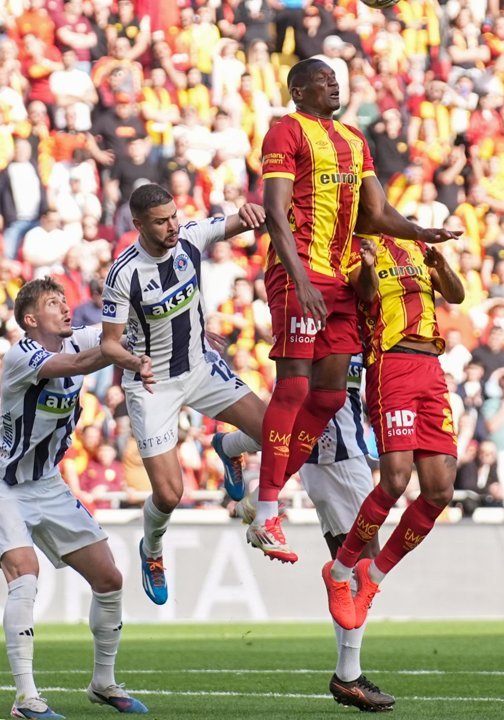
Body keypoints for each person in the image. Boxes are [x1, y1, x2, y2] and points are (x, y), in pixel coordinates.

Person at [250, 57, 459, 563]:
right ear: (298, 91)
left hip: (340, 278)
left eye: (334, 79)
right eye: (321, 80)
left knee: (327, 397)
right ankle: (266, 510)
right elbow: (275, 211)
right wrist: (300, 278)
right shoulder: (285, 131)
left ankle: (262, 491)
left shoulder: (353, 139)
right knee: (295, 386)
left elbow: (378, 212)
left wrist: (419, 232)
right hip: (299, 272)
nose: (332, 84)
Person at [0, 277, 154, 719]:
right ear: (30, 319)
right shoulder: (21, 355)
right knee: (25, 575)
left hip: (49, 485)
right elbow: (79, 363)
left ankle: (103, 683)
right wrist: (121, 350)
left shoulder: (79, 338)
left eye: (64, 300)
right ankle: (25, 699)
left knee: (109, 578)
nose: (64, 307)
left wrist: (182, 333)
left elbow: (124, 327)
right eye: (53, 303)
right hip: (4, 486)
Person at [100, 184, 269, 604]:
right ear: (139, 225)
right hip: (152, 385)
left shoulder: (190, 237)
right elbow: (109, 344)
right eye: (161, 221)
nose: (173, 226)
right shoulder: (124, 274)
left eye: (174, 216)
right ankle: (152, 550)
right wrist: (135, 361)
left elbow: (239, 221)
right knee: (170, 494)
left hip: (199, 368)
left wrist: (253, 210)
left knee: (274, 432)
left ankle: (228, 447)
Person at [322, 234, 465, 631]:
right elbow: (365, 295)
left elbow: (456, 295)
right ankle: (340, 571)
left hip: (431, 368)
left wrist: (442, 266)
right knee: (396, 480)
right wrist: (369, 266)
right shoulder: (354, 246)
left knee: (440, 490)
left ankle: (373, 576)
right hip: (391, 364)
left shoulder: (416, 246)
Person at [239, 353, 396, 712]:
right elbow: (293, 393)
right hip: (336, 456)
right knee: (363, 566)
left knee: (346, 567)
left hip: (331, 455)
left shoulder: (346, 330)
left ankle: (348, 673)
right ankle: (348, 676)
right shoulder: (328, 329)